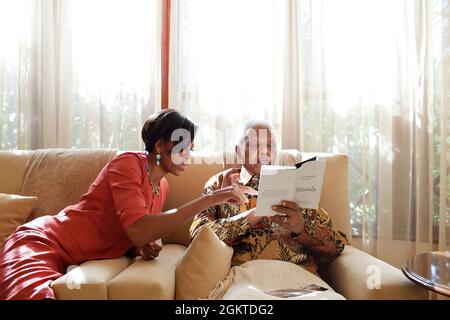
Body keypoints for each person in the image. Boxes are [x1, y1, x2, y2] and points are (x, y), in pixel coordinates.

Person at [0, 109, 255, 300]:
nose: (189, 155)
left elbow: (136, 233)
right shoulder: (128, 164)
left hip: (71, 256)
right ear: (160, 145)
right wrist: (211, 198)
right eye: (183, 147)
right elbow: (138, 228)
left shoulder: (161, 186)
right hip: (42, 242)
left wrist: (142, 247)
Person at [190, 120, 349, 275]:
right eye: (254, 145)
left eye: (270, 145)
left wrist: (302, 229)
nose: (264, 151)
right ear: (238, 151)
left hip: (300, 278)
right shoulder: (221, 184)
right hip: (247, 278)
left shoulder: (297, 183)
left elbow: (336, 247)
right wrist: (249, 218)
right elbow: (198, 236)